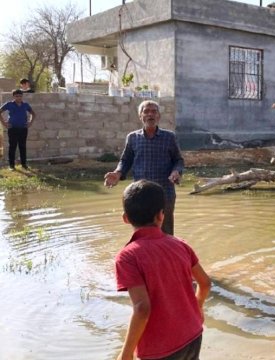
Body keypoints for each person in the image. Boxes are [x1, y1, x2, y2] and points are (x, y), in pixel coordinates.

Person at [115, 180, 211, 360]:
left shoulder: (127, 257)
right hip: (193, 333)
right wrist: (197, 307)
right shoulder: (180, 245)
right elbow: (205, 283)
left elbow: (142, 308)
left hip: (159, 349)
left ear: (125, 218)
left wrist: (126, 354)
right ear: (161, 215)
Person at [104, 100, 184, 235]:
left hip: (165, 193)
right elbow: (125, 160)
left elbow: (178, 160)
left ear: (159, 116)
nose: (150, 115)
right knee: (142, 232)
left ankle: (166, 255)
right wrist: (118, 173)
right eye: (146, 111)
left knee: (166, 232)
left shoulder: (169, 137)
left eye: (154, 111)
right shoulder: (133, 138)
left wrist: (176, 171)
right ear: (140, 116)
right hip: (140, 194)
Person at [1, 89, 36, 170]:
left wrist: (30, 123)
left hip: (23, 129)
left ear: (22, 96)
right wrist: (4, 123)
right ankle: (11, 165)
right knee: (12, 147)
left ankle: (24, 164)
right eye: (17, 96)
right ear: (13, 96)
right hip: (12, 129)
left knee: (22, 146)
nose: (19, 98)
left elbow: (33, 114)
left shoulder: (25, 105)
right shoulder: (9, 104)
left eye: (20, 96)